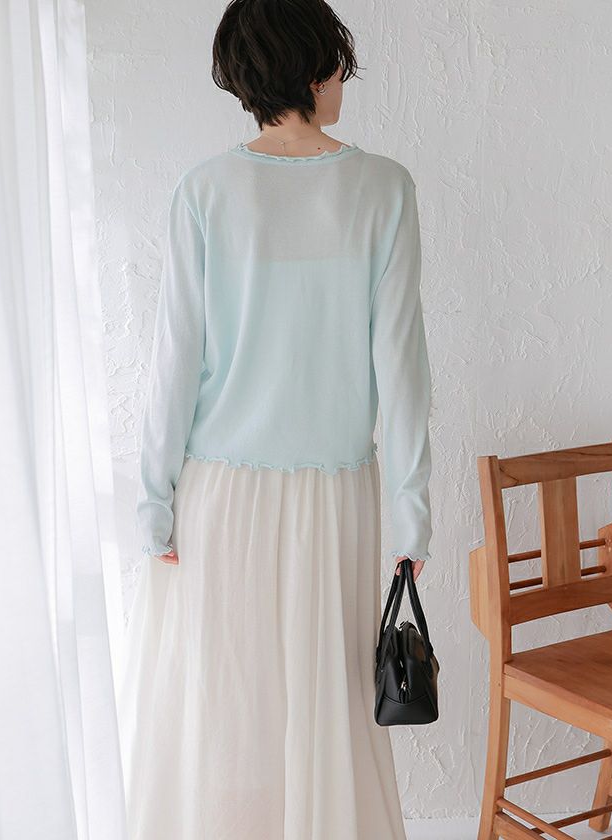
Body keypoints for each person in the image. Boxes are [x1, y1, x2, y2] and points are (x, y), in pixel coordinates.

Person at [117, 1, 434, 838]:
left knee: (225, 717)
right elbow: (401, 368)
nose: (342, 81)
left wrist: (154, 505)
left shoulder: (205, 192)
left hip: (220, 497)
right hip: (337, 498)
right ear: (316, 65)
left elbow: (174, 364)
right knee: (326, 714)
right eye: (337, 63)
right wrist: (411, 515)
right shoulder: (384, 188)